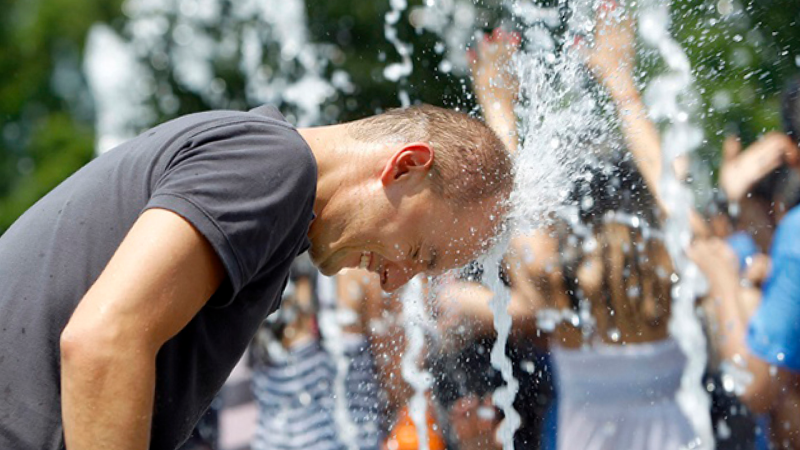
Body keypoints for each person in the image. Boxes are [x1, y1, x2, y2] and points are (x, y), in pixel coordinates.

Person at [0, 103, 513, 450]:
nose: (397, 281)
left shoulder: (267, 189)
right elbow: (102, 341)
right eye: (420, 253)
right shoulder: (274, 166)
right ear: (404, 167)